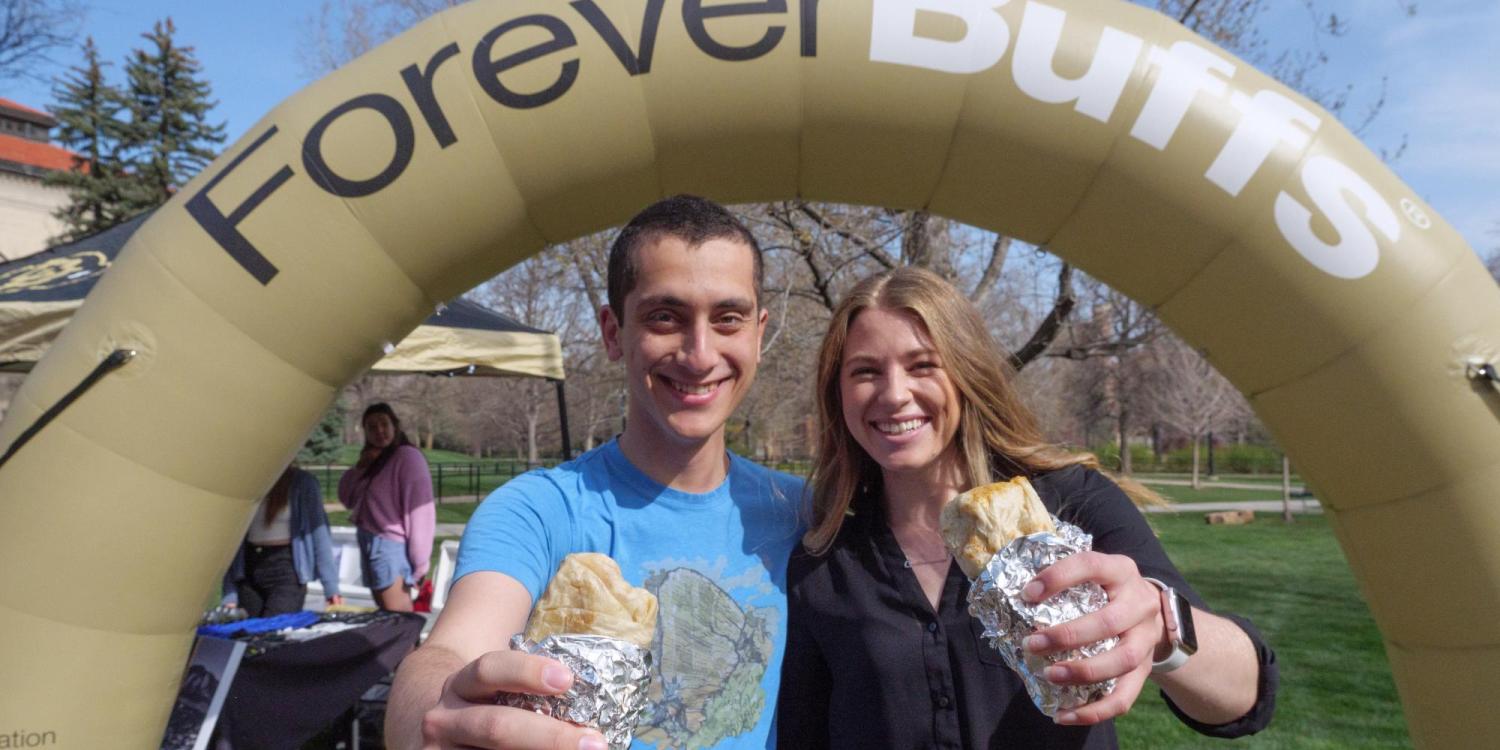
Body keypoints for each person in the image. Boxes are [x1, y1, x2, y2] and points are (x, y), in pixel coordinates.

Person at [776, 268, 1278, 748]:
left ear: (966, 374)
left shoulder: (1073, 504)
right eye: (865, 371)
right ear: (837, 393)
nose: (894, 393)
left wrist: (1165, 628)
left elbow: (1243, 699)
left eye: (922, 365)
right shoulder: (821, 560)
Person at [384, 195, 803, 750]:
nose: (700, 354)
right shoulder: (537, 510)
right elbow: (449, 651)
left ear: (757, 332)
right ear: (612, 331)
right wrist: (432, 718)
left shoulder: (803, 512)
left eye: (728, 319)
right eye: (664, 316)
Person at [339, 402, 436, 612]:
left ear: (395, 426)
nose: (379, 431)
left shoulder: (408, 457)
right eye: (371, 427)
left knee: (398, 620)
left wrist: (420, 565)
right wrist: (360, 468)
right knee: (386, 618)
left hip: (390, 547)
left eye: (384, 424)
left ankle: (412, 647)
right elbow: (346, 498)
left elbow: (420, 513)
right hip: (369, 542)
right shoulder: (374, 460)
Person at [222, 464, 343, 617]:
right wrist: (230, 593)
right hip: (249, 567)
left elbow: (319, 534)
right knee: (247, 632)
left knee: (275, 630)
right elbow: (230, 541)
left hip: (287, 568)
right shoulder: (245, 481)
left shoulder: (302, 482)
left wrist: (331, 587)